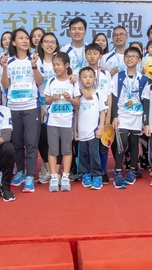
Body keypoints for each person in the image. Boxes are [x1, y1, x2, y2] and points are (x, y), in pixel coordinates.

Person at [2, 28, 43, 192]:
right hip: (13, 108)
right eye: (21, 38)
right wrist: (4, 67)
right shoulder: (9, 61)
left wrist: (34, 66)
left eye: (27, 38)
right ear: (14, 42)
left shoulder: (34, 59)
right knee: (17, 143)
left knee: (31, 143)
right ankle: (20, 171)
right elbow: (5, 85)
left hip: (31, 107)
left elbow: (39, 82)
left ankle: (30, 176)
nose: (25, 41)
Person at [111, 46, 148, 188]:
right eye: (127, 56)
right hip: (122, 115)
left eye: (133, 56)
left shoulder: (144, 79)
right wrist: (114, 116)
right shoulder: (118, 76)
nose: (130, 58)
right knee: (121, 144)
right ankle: (118, 171)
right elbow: (114, 97)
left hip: (137, 116)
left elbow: (145, 101)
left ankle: (132, 170)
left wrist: (145, 121)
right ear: (124, 59)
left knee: (134, 143)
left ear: (139, 60)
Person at [44, 52, 80, 192]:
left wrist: (69, 98)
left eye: (58, 64)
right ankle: (54, 176)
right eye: (54, 65)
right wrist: (52, 98)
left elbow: (77, 102)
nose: (56, 67)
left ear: (66, 65)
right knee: (53, 150)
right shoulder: (51, 81)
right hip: (52, 121)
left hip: (66, 122)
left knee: (66, 149)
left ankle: (65, 176)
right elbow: (46, 100)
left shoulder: (73, 82)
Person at [74, 66, 107, 190]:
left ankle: (97, 175)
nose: (88, 79)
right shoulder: (79, 95)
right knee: (82, 154)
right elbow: (77, 113)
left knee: (94, 154)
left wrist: (101, 127)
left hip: (93, 131)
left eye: (90, 77)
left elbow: (102, 112)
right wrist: (75, 130)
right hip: (82, 131)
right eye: (84, 77)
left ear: (95, 79)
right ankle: (85, 174)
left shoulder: (99, 93)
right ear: (80, 80)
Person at [84, 43, 112, 183]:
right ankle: (90, 170)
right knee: (89, 145)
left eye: (95, 53)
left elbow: (109, 95)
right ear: (85, 55)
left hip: (103, 114)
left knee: (103, 146)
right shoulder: (81, 72)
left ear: (100, 56)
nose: (92, 56)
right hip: (87, 114)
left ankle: (102, 171)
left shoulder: (105, 74)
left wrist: (108, 117)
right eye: (89, 53)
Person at [36, 33, 60, 184]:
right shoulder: (36, 61)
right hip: (41, 106)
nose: (49, 45)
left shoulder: (60, 60)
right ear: (41, 44)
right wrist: (39, 106)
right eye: (46, 41)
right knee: (42, 138)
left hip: (59, 106)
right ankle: (47, 168)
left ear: (56, 45)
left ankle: (56, 171)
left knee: (59, 140)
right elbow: (33, 85)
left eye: (52, 42)